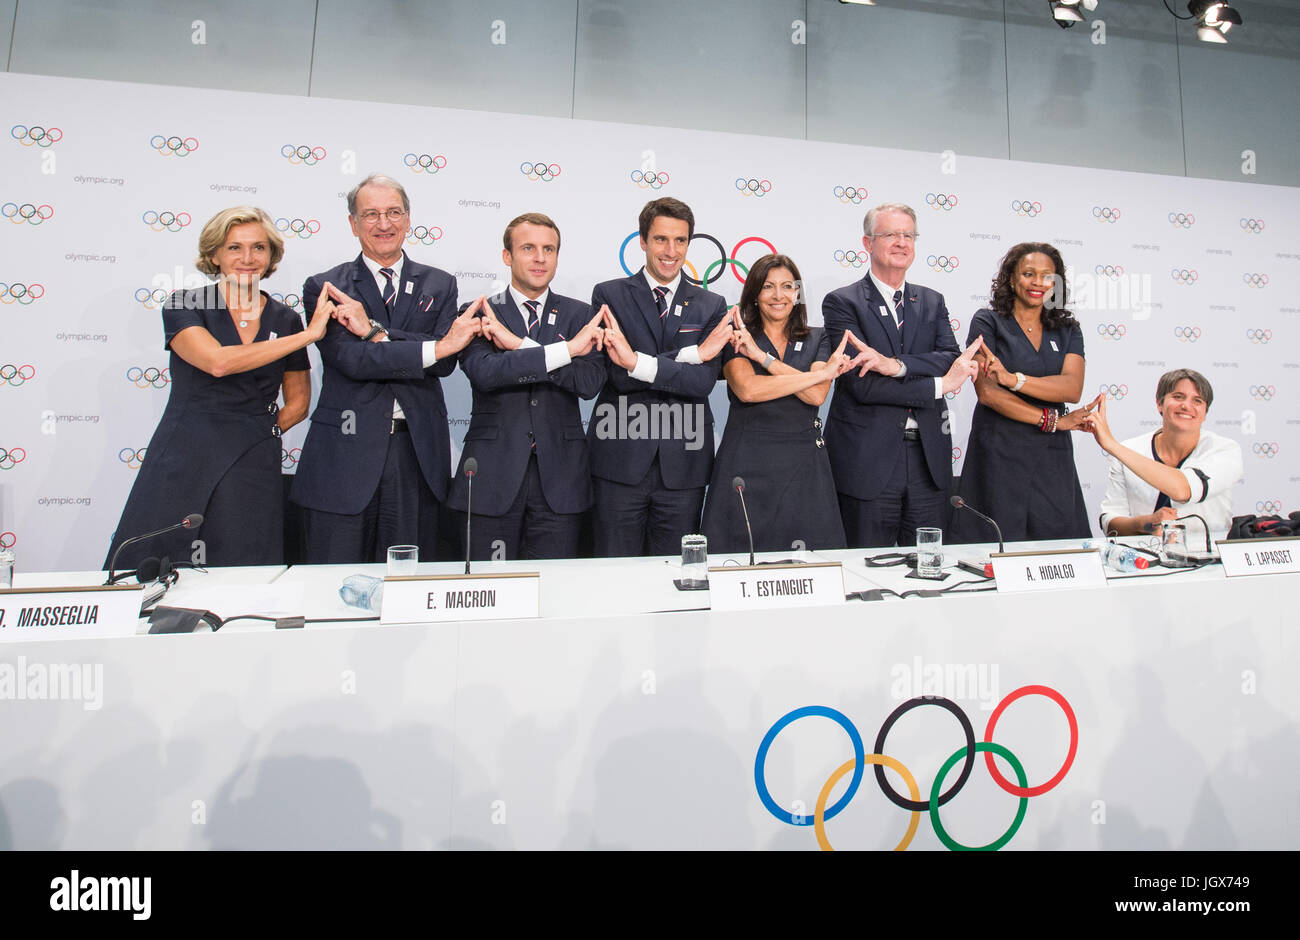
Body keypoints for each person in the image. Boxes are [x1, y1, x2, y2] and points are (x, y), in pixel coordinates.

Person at [104, 206, 331, 571]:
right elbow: (218, 362)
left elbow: (299, 402)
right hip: (186, 451)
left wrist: (263, 434)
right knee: (152, 567)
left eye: (259, 248)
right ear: (214, 254)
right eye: (234, 248)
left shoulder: (285, 318)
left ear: (271, 255)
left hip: (252, 460)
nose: (247, 258)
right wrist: (307, 335)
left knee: (246, 565)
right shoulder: (186, 303)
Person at [290, 173, 482, 563]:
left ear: (409, 219)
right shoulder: (326, 286)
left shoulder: (440, 284)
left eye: (394, 212)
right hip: (344, 452)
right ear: (353, 223)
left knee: (406, 580)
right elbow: (350, 360)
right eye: (372, 214)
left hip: (415, 452)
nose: (384, 224)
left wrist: (374, 332)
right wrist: (430, 347)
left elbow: (444, 363)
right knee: (333, 575)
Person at [447, 213, 607, 559]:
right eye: (528, 248)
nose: (540, 258)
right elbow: (486, 373)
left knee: (555, 592)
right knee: (488, 589)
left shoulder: (582, 315)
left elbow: (589, 381)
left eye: (549, 249)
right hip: (492, 473)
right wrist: (566, 352)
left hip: (561, 478)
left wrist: (518, 347)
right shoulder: (478, 312)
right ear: (507, 256)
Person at [822, 202, 980, 548]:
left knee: (928, 566)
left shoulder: (932, 301)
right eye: (891, 234)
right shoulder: (842, 302)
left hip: (928, 461)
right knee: (866, 570)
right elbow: (860, 383)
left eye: (908, 235)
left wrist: (897, 366)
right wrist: (940, 385)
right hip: (868, 462)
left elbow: (948, 358)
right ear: (867, 243)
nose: (901, 242)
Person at [588, 197, 736, 556]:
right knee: (613, 572)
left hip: (683, 466)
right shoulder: (609, 295)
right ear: (642, 241)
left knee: (675, 574)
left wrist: (638, 362)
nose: (671, 251)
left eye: (680, 241)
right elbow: (616, 375)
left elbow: (702, 383)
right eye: (660, 239)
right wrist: (693, 355)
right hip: (619, 459)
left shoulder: (712, 304)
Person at [700, 254, 854, 553]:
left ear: (797, 293)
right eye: (768, 287)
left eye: (787, 286)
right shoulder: (737, 335)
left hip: (803, 466)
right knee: (737, 563)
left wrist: (762, 358)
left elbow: (816, 397)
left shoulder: (818, 337)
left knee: (812, 570)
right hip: (746, 462)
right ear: (755, 294)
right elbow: (748, 389)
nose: (778, 295)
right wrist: (817, 375)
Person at [951, 242, 1097, 543]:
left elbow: (1071, 387)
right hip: (999, 451)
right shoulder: (987, 321)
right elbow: (989, 393)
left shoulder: (1068, 328)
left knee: (1058, 546)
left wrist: (1013, 379)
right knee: (994, 547)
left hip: (1051, 455)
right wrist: (1052, 421)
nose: (1038, 283)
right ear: (1011, 279)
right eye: (1029, 273)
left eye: (1047, 276)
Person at [1090, 369, 1243, 538]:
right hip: (1142, 559)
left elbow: (1182, 490)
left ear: (1205, 412)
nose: (1186, 405)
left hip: (1209, 559)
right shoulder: (1131, 449)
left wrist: (1112, 445)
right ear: (1159, 404)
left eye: (1197, 400)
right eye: (1178, 397)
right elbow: (1110, 523)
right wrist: (1147, 523)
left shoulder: (1225, 450)